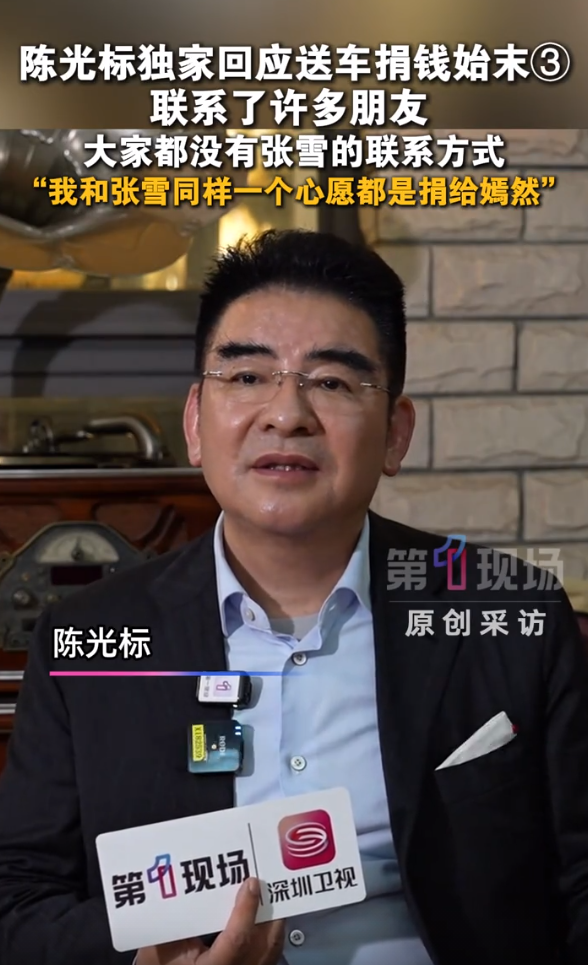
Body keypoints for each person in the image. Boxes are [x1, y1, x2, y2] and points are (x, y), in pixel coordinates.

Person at [0, 228, 587, 965]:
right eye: (247, 376)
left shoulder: (511, 614)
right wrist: (144, 959)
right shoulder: (87, 640)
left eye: (333, 382)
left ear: (395, 434)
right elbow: (18, 900)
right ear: (195, 422)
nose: (287, 413)